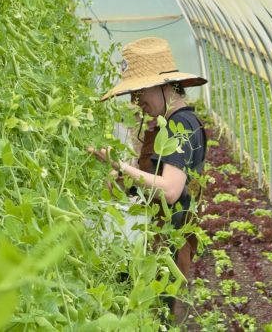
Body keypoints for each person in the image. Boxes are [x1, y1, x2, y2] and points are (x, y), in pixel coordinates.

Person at [89, 36, 207, 288]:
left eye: (139, 91)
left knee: (159, 315)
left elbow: (170, 190)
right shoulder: (167, 124)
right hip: (158, 239)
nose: (135, 100)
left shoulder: (181, 124)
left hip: (167, 244)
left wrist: (119, 165)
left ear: (163, 86)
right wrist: (125, 184)